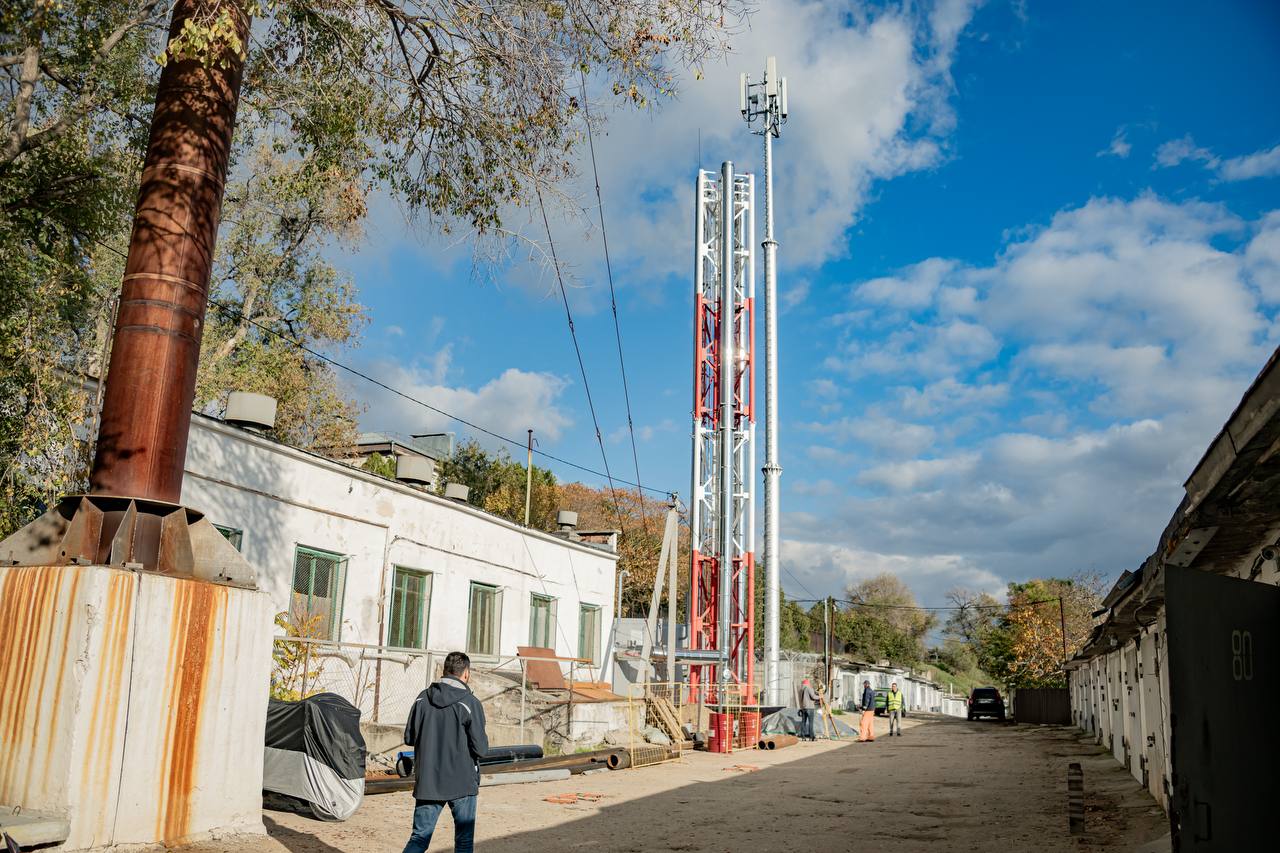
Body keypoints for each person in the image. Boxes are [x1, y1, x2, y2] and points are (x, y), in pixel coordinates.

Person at [402, 651, 489, 853]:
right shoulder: (470, 703)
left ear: (444, 671)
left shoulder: (421, 699)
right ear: (466, 673)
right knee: (464, 842)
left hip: (428, 781)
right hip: (462, 782)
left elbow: (409, 738)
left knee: (419, 838)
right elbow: (481, 749)